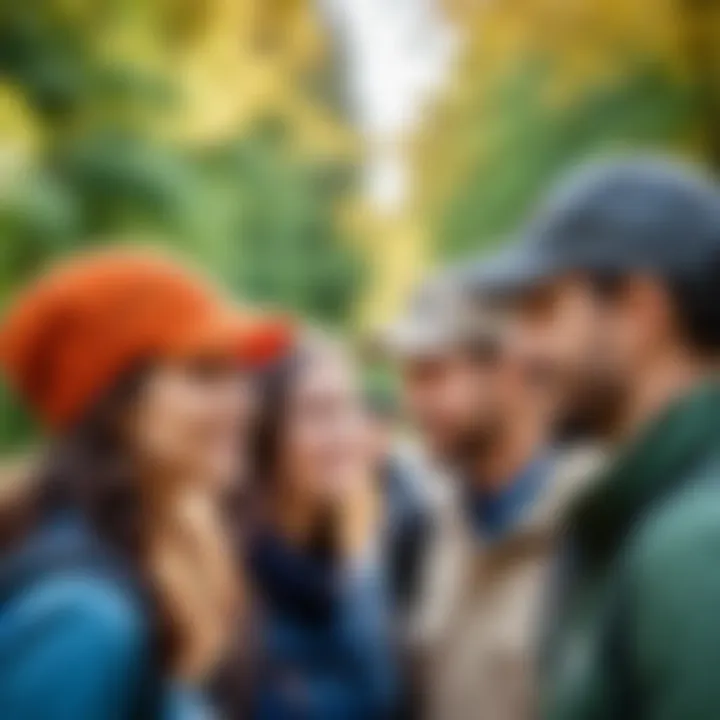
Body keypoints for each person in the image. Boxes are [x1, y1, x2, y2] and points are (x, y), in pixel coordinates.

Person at [466, 156, 720, 720]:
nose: (521, 353)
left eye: (543, 310)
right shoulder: (646, 514)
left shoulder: (697, 549)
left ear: (640, 311)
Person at [0, 248, 292, 719]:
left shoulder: (148, 560)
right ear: (117, 405)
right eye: (205, 373)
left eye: (239, 373)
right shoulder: (80, 613)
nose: (244, 402)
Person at [384, 270, 596, 720]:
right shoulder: (428, 529)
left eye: (432, 374)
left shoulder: (596, 528)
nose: (411, 400)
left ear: (512, 370)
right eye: (409, 377)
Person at [226, 333, 397, 720]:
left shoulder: (353, 553)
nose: (345, 433)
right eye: (318, 412)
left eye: (352, 407)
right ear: (264, 432)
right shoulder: (233, 576)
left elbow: (386, 700)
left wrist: (361, 558)